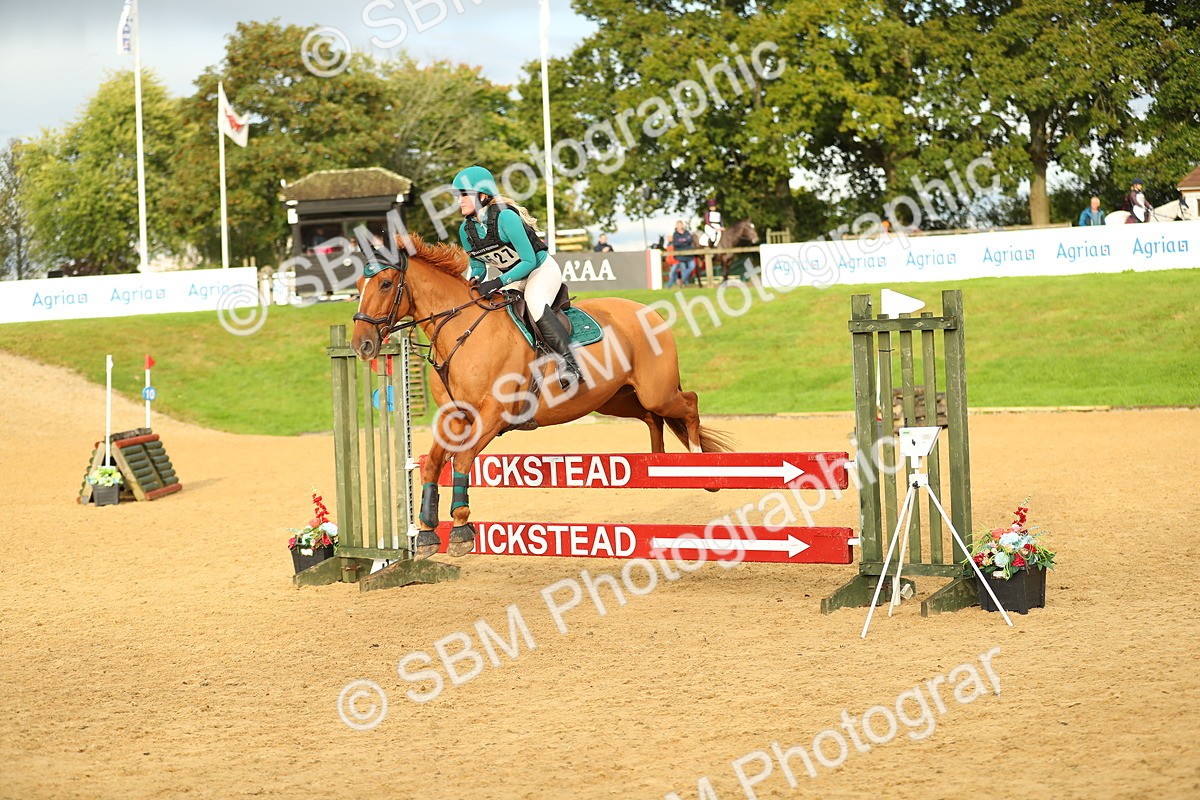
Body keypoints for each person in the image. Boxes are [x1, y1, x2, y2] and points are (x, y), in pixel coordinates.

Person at [452, 165, 582, 388]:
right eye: (458, 196)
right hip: (515, 278)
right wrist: (474, 280)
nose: (460, 201)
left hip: (540, 270)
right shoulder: (466, 230)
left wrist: (498, 282)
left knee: (535, 303)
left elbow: (529, 261)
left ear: (482, 196)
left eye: (465, 194)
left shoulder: (505, 218)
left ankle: (571, 364)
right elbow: (478, 265)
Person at [667, 221, 696, 288]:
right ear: (676, 226)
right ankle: (684, 284)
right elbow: (677, 243)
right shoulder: (675, 234)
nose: (679, 226)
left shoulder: (686, 232)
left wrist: (682, 240)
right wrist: (685, 240)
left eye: (680, 225)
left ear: (682, 225)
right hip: (680, 256)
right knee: (680, 270)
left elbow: (690, 240)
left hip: (689, 254)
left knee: (692, 267)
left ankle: (682, 280)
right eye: (678, 225)